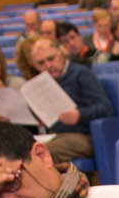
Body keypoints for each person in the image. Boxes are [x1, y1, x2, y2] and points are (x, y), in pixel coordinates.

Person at [25, 38, 113, 166]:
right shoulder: (42, 84)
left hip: (84, 135)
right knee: (23, 151)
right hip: (56, 135)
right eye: (41, 63)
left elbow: (105, 108)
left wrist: (79, 115)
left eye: (51, 59)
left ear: (61, 53)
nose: (48, 66)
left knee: (41, 154)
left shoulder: (81, 74)